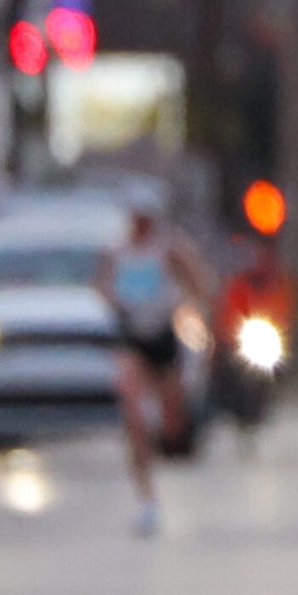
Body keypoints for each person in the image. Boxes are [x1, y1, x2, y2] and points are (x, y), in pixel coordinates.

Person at [95, 203, 211, 536]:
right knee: (133, 415)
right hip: (133, 338)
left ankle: (164, 430)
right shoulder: (117, 252)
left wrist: (191, 309)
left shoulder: (169, 249)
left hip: (164, 335)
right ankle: (147, 497)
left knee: (172, 416)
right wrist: (117, 302)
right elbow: (102, 287)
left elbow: (199, 283)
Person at [212, 233, 298, 453]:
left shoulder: (279, 283)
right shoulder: (240, 284)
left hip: (268, 338)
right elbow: (228, 315)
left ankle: (263, 407)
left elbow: (286, 314)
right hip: (243, 339)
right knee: (230, 368)